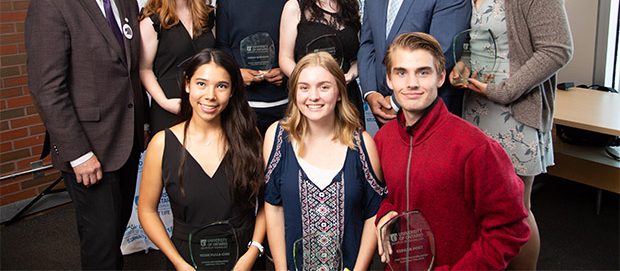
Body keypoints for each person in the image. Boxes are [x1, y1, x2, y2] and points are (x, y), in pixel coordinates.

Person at [449, 0, 574, 270]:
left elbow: (557, 49)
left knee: (515, 209)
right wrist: (463, 65)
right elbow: (481, 40)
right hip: (477, 109)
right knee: (482, 205)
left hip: (514, 113)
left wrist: (504, 90)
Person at [25, 0, 144, 269]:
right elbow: (47, 87)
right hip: (88, 151)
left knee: (111, 233)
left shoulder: (126, 1)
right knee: (102, 246)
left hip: (124, 143)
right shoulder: (53, 2)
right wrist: (78, 153)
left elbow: (127, 73)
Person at [375, 32, 530, 269]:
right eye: (401, 72)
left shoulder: (475, 148)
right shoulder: (384, 138)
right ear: (389, 79)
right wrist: (385, 212)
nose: (412, 83)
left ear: (440, 78)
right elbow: (384, 194)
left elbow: (511, 227)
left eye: (423, 72)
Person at [138, 49, 265, 270]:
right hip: (187, 259)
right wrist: (178, 262)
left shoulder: (249, 137)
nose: (210, 96)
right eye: (201, 84)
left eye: (221, 86)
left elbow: (267, 203)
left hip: (243, 258)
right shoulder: (162, 144)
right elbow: (146, 210)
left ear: (233, 90)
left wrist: (252, 253)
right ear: (187, 85)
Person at [264, 52, 386, 271]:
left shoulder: (362, 144)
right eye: (304, 87)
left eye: (324, 87)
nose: (313, 96)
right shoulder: (277, 137)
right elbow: (273, 207)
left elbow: (373, 212)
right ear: (295, 93)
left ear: (339, 92)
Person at [216, 0, 296, 134]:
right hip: (241, 104)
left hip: (285, 104)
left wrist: (287, 72)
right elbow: (222, 46)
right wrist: (235, 73)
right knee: (244, 166)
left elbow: (300, 48)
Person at [279, 0, 365, 126]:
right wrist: (310, 86)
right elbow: (284, 59)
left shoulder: (351, 6)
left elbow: (362, 54)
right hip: (311, 101)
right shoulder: (294, 7)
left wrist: (349, 75)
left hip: (347, 97)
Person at [139, 0, 215, 136]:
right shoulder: (151, 22)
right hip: (169, 109)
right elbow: (144, 69)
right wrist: (164, 102)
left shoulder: (209, 16)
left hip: (207, 108)